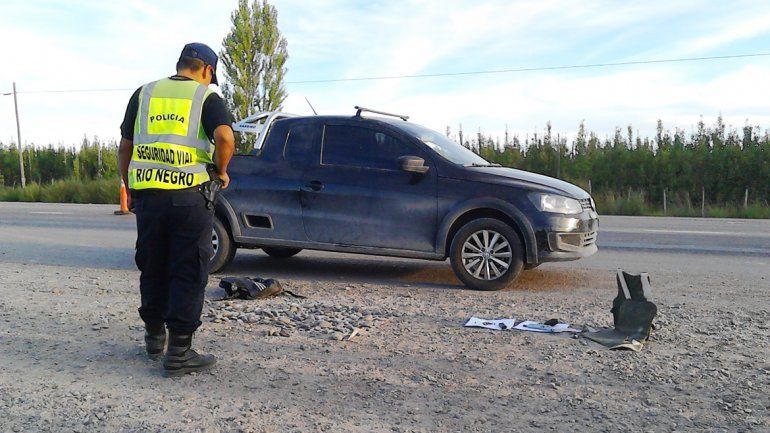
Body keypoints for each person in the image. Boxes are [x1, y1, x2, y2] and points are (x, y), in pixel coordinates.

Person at [118, 42, 235, 376]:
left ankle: (154, 339)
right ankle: (179, 352)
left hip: (150, 197)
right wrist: (222, 170)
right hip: (189, 198)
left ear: (180, 63)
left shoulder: (144, 93)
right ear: (207, 70)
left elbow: (126, 146)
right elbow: (225, 139)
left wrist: (130, 187)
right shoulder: (205, 98)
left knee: (153, 264)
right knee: (188, 268)